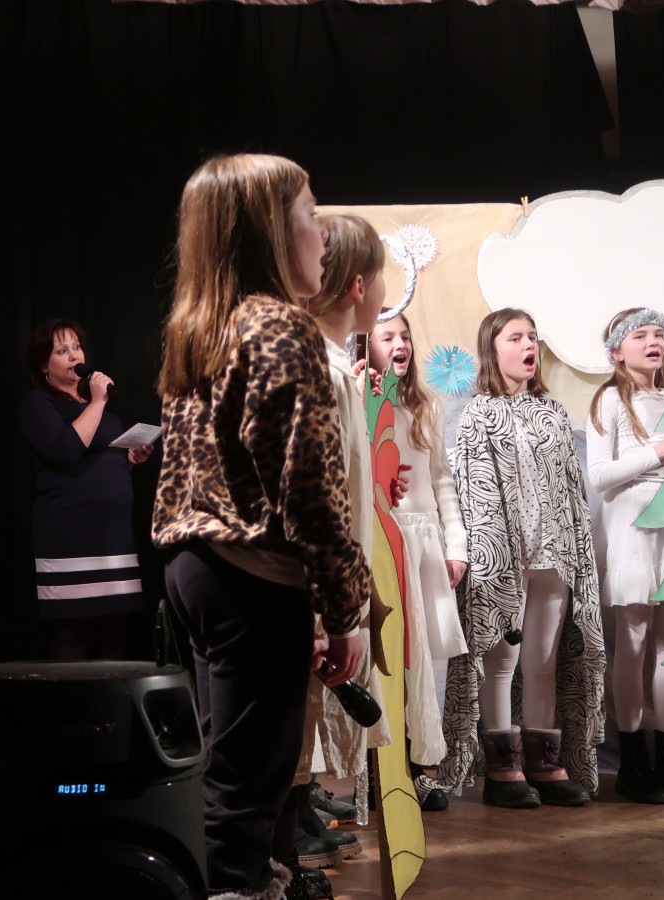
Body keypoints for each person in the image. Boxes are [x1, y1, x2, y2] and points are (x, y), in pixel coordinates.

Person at [153, 153, 369, 900]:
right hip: (250, 578)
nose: (324, 235)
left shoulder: (200, 325)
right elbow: (310, 488)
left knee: (228, 775)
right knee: (248, 795)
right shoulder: (279, 325)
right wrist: (345, 609)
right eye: (311, 214)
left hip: (199, 569)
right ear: (271, 231)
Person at [434, 307, 605, 809]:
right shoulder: (478, 414)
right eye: (516, 338)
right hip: (503, 558)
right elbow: (475, 492)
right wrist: (490, 555)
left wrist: (576, 549)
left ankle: (546, 763)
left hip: (554, 554)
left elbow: (572, 490)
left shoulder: (552, 413)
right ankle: (502, 770)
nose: (529, 345)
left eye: (532, 337)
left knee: (543, 660)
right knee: (501, 661)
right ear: (493, 349)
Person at [286, 213, 390, 867]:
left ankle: (296, 813)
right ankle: (286, 831)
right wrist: (336, 607)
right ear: (357, 286)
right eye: (381, 279)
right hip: (311, 580)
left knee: (307, 704)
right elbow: (319, 499)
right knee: (296, 708)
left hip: (324, 578)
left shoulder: (330, 367)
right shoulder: (318, 370)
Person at [585, 307, 664, 806]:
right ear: (617, 351)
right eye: (640, 335)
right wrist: (662, 450)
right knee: (632, 644)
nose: (653, 341)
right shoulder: (611, 400)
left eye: (659, 334)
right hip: (632, 526)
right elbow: (599, 476)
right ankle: (633, 759)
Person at [368, 309, 469, 813]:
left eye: (405, 336)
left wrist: (455, 545)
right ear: (367, 346)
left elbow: (442, 479)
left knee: (429, 657)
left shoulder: (424, 404)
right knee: (387, 658)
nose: (400, 344)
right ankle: (381, 770)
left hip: (425, 540)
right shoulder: (363, 401)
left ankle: (422, 766)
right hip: (385, 540)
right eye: (387, 336)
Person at [19, 318, 154, 660]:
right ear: (44, 365)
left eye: (76, 347)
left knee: (115, 632)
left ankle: (110, 699)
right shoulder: (40, 403)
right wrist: (96, 402)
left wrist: (130, 460)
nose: (73, 356)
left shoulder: (99, 409)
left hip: (113, 535)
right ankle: (66, 699)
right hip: (71, 534)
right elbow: (66, 450)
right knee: (73, 631)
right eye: (61, 350)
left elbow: (104, 462)